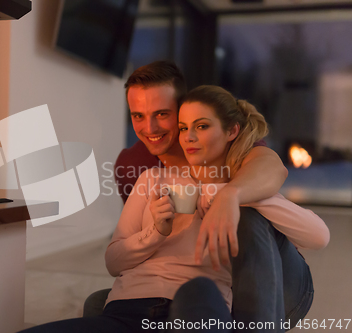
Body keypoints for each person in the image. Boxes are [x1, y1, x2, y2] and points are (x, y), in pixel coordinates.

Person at [19, 86, 329, 333]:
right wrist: (155, 232)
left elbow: (318, 236)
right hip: (129, 313)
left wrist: (225, 195)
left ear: (231, 131)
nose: (189, 137)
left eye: (202, 126)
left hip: (197, 308)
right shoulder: (152, 178)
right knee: (94, 304)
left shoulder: (245, 186)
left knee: (198, 290)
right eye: (183, 127)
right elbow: (113, 262)